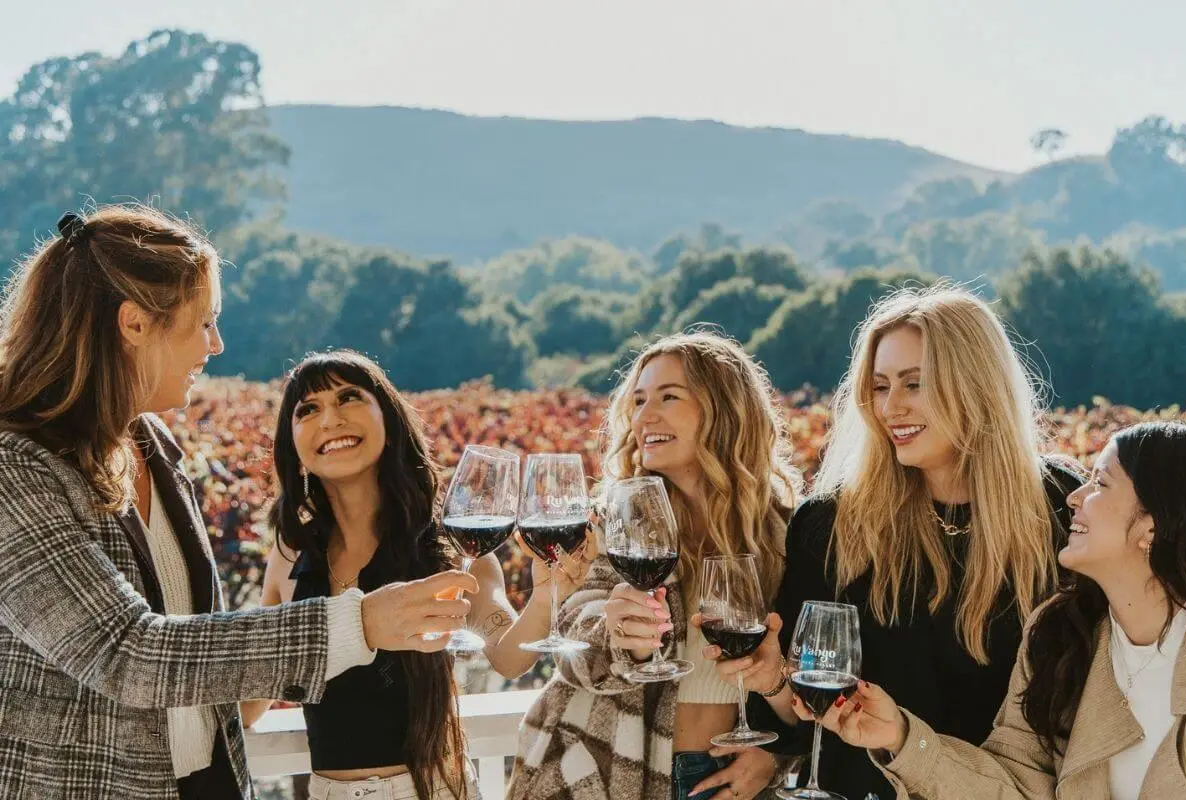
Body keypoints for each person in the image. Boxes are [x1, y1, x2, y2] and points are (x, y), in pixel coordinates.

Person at [0, 206, 476, 800]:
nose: (216, 345)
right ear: (134, 324)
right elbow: (128, 653)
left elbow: (199, 637)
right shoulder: (15, 472)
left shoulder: (153, 446)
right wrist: (359, 623)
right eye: (203, 323)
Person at [708, 286, 1084, 800]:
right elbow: (800, 725)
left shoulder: (1059, 505)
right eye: (880, 386)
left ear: (977, 384)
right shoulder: (831, 525)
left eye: (914, 384)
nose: (891, 407)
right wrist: (773, 679)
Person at [239, 349, 595, 800]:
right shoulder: (290, 556)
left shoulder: (448, 543)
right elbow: (249, 706)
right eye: (308, 409)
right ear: (294, 446)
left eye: (349, 398)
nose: (330, 419)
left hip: (433, 790)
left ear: (388, 422)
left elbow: (508, 657)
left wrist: (546, 592)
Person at [814, 421, 1186, 799]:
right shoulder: (1058, 634)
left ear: (1153, 526)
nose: (1074, 497)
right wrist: (899, 736)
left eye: (1100, 483)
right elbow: (1014, 787)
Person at [509, 331, 803, 800]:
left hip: (727, 780)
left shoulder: (788, 534)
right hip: (602, 774)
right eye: (639, 400)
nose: (644, 416)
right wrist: (619, 634)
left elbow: (808, 687)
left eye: (669, 396)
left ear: (725, 410)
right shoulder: (619, 518)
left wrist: (777, 757)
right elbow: (576, 629)